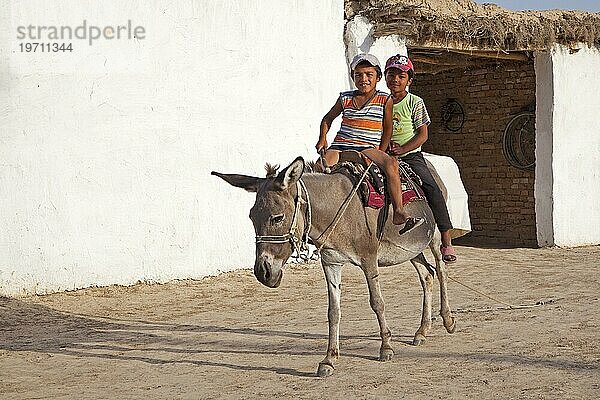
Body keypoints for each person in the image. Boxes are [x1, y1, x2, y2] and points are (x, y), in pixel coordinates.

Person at [316, 53, 422, 234]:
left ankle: (398, 211)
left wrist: (381, 151)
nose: (363, 79)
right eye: (358, 75)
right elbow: (327, 119)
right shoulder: (345, 98)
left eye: (368, 75)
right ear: (353, 77)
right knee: (319, 169)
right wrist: (322, 138)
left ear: (378, 77)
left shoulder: (384, 99)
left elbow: (387, 128)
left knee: (391, 164)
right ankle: (316, 218)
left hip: (367, 147)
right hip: (341, 145)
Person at [382, 54, 457, 263]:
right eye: (391, 74)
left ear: (409, 80)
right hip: (385, 155)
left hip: (411, 156)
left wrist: (403, 148)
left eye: (401, 75)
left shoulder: (415, 102)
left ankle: (446, 239)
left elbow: (423, 134)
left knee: (432, 188)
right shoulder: (381, 102)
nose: (395, 79)